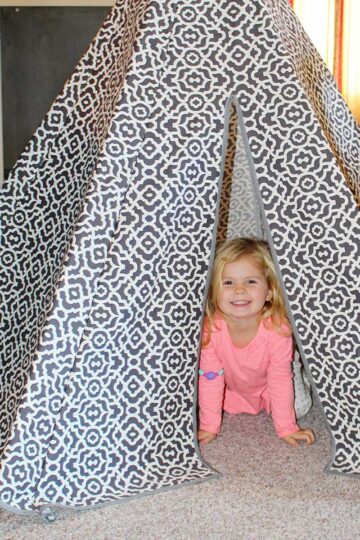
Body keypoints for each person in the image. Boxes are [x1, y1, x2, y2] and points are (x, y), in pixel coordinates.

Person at [198, 237, 315, 447]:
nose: (240, 290)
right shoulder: (210, 329)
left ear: (269, 291)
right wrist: (209, 425)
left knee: (299, 407)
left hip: (273, 378)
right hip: (236, 385)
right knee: (207, 398)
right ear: (214, 292)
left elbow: (279, 380)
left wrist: (286, 427)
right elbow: (210, 378)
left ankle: (295, 364)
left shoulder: (277, 329)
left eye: (250, 281)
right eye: (228, 282)